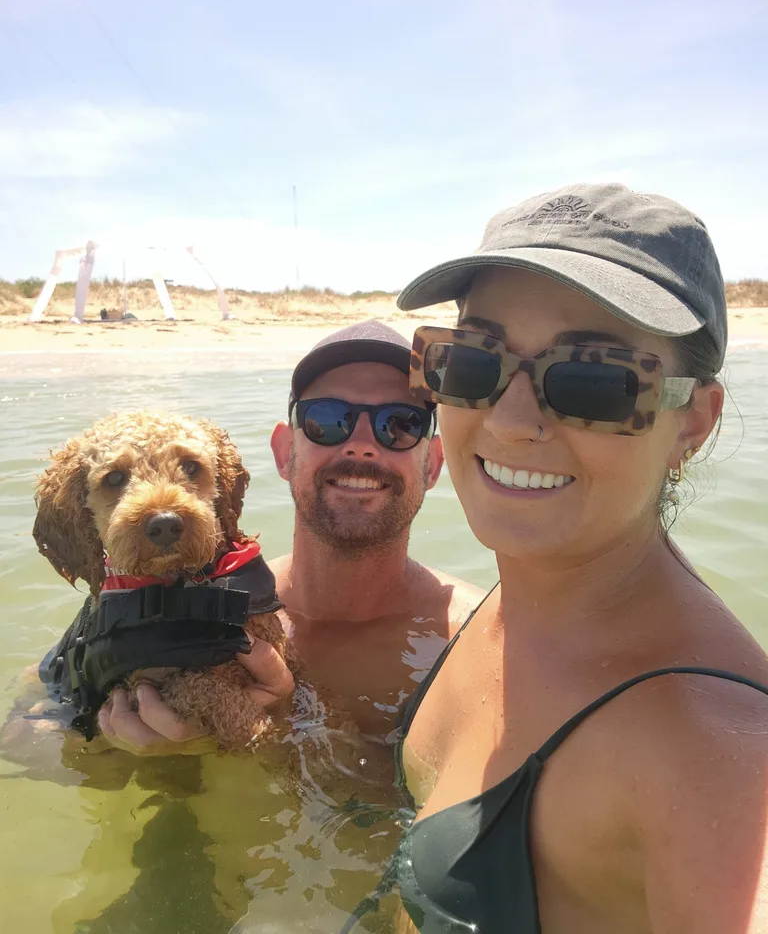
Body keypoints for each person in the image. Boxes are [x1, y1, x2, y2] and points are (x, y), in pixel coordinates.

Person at [387, 183, 768, 933]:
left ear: (692, 419)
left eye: (593, 380)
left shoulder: (711, 753)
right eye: (470, 361)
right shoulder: (509, 601)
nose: (511, 419)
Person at [94, 319, 485, 754]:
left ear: (432, 465)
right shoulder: (191, 609)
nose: (360, 445)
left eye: (400, 424)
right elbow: (29, 729)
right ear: (284, 453)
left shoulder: (481, 640)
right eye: (327, 420)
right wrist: (106, 742)